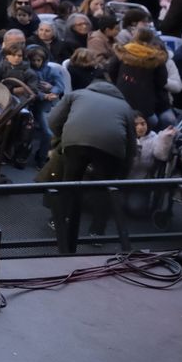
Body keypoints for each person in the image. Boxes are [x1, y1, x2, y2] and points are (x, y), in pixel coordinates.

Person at [47, 77, 138, 241]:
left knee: (70, 181)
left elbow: (53, 119)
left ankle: (59, 221)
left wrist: (62, 136)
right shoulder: (125, 107)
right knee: (103, 188)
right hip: (111, 146)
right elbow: (131, 141)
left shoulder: (77, 94)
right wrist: (125, 168)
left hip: (76, 139)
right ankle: (97, 231)